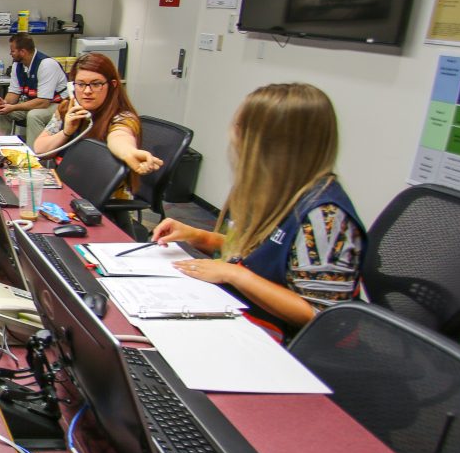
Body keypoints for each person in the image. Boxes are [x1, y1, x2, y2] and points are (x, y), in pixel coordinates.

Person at [151, 82, 365, 341]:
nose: (234, 135)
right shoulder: (275, 190)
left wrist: (235, 274)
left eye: (241, 128)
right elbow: (259, 254)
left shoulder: (324, 216)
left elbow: (323, 315)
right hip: (247, 313)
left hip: (292, 349)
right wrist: (198, 236)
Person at [33, 53, 162, 196]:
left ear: (112, 85)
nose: (87, 91)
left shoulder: (122, 117)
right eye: (81, 84)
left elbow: (120, 137)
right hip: (66, 189)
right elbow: (40, 150)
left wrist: (129, 152)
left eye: (96, 84)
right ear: (72, 87)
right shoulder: (66, 108)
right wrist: (66, 132)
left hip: (99, 199)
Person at [0, 33, 69, 144]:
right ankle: (1, 146)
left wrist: (13, 107)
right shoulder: (18, 65)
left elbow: (43, 102)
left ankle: (34, 156)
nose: (10, 53)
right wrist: (4, 102)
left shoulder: (46, 64)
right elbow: (14, 92)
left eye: (13, 51)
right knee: (2, 110)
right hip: (34, 103)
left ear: (23, 52)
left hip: (59, 105)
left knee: (34, 115)